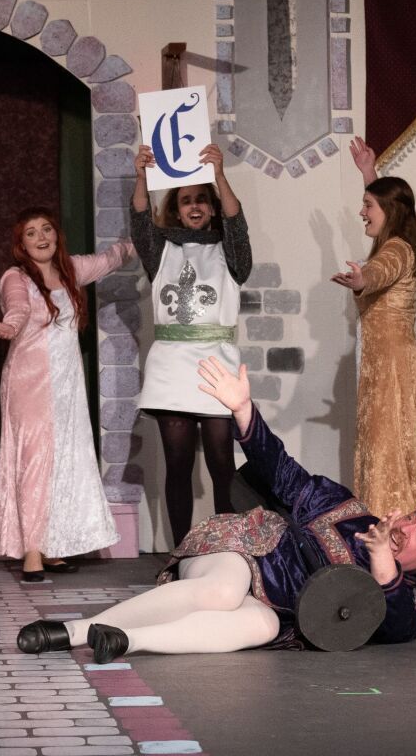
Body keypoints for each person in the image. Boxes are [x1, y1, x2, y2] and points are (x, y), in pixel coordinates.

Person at [17, 357, 416, 661]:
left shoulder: (402, 604)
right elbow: (280, 469)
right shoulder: (346, 508)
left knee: (262, 628)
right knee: (221, 593)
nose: (408, 527)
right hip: (244, 550)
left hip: (277, 610)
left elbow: (396, 628)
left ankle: (124, 641)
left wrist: (382, 562)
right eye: (415, 516)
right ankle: (76, 631)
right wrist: (244, 409)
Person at [0, 208, 135, 583]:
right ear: (21, 244)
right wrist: (9, 326)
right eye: (31, 233)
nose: (41, 238)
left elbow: (112, 258)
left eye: (46, 230)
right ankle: (32, 552)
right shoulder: (16, 277)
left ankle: (52, 545)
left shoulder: (71, 269)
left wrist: (145, 234)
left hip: (67, 385)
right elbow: (18, 307)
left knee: (64, 461)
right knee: (36, 462)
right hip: (30, 382)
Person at [131, 142, 251, 547]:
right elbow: (140, 220)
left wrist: (219, 175)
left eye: (201, 199)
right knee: (178, 465)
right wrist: (142, 176)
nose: (194, 206)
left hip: (215, 365)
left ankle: (229, 551)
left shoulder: (231, 252)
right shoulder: (162, 251)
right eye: (186, 201)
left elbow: (237, 222)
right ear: (177, 210)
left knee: (222, 464)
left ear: (211, 207)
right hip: (172, 366)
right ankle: (181, 553)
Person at [339, 145, 416, 515]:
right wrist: (369, 173)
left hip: (394, 371)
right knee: (389, 452)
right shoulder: (397, 243)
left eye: (368, 205)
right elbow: (387, 204)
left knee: (392, 456)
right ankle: (395, 534)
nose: (361, 212)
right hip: (386, 368)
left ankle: (398, 534)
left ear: (389, 212)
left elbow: (380, 271)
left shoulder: (397, 249)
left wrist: (362, 278)